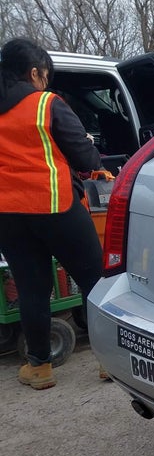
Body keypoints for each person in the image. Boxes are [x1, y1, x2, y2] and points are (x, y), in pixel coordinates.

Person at [0, 37, 104, 389]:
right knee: (94, 280)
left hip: (8, 215)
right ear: (34, 73)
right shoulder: (45, 103)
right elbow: (85, 159)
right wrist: (91, 153)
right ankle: (108, 361)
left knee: (31, 289)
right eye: (45, 74)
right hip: (56, 206)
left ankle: (39, 367)